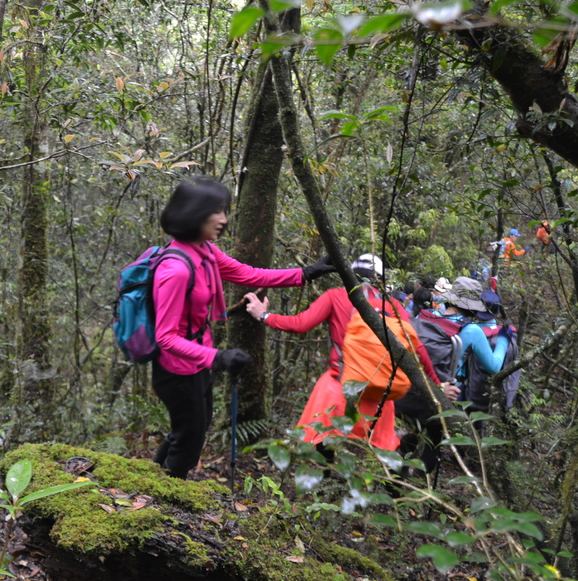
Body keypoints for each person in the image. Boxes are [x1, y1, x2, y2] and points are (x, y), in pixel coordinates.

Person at [150, 175, 326, 479]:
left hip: (196, 361)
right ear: (193, 212)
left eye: (225, 211)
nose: (223, 219)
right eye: (216, 211)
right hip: (176, 369)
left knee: (192, 429)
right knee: (190, 441)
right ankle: (164, 496)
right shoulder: (176, 269)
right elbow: (164, 337)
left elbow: (249, 274)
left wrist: (306, 273)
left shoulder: (203, 250)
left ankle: (151, 477)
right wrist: (217, 358)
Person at [244, 255, 449, 453]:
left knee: (321, 443)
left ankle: (323, 475)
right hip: (378, 392)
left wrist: (263, 315)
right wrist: (436, 385)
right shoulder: (393, 306)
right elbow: (417, 348)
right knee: (384, 454)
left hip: (340, 387)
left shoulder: (335, 296)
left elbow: (300, 324)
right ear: (380, 279)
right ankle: (390, 482)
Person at [396, 277, 510, 471]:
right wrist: (504, 340)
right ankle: (419, 482)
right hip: (439, 397)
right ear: (474, 307)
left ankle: (398, 483)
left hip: (408, 392)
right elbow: (494, 366)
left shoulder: (422, 317)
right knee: (431, 448)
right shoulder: (471, 330)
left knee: (407, 442)